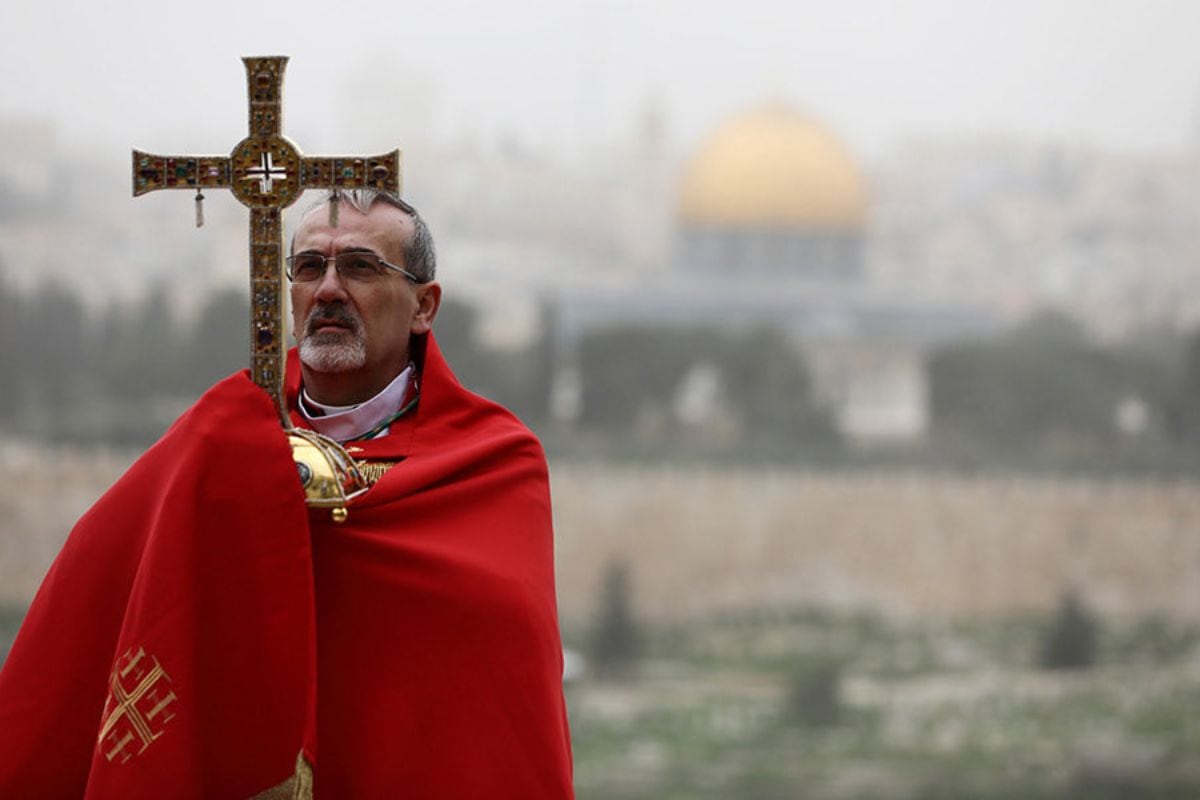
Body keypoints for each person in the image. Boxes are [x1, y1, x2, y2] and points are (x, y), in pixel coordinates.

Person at [0, 190, 575, 799]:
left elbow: (503, 692)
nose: (327, 289)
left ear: (424, 307)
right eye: (308, 268)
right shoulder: (216, 435)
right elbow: (98, 584)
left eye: (359, 266)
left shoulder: (494, 462)